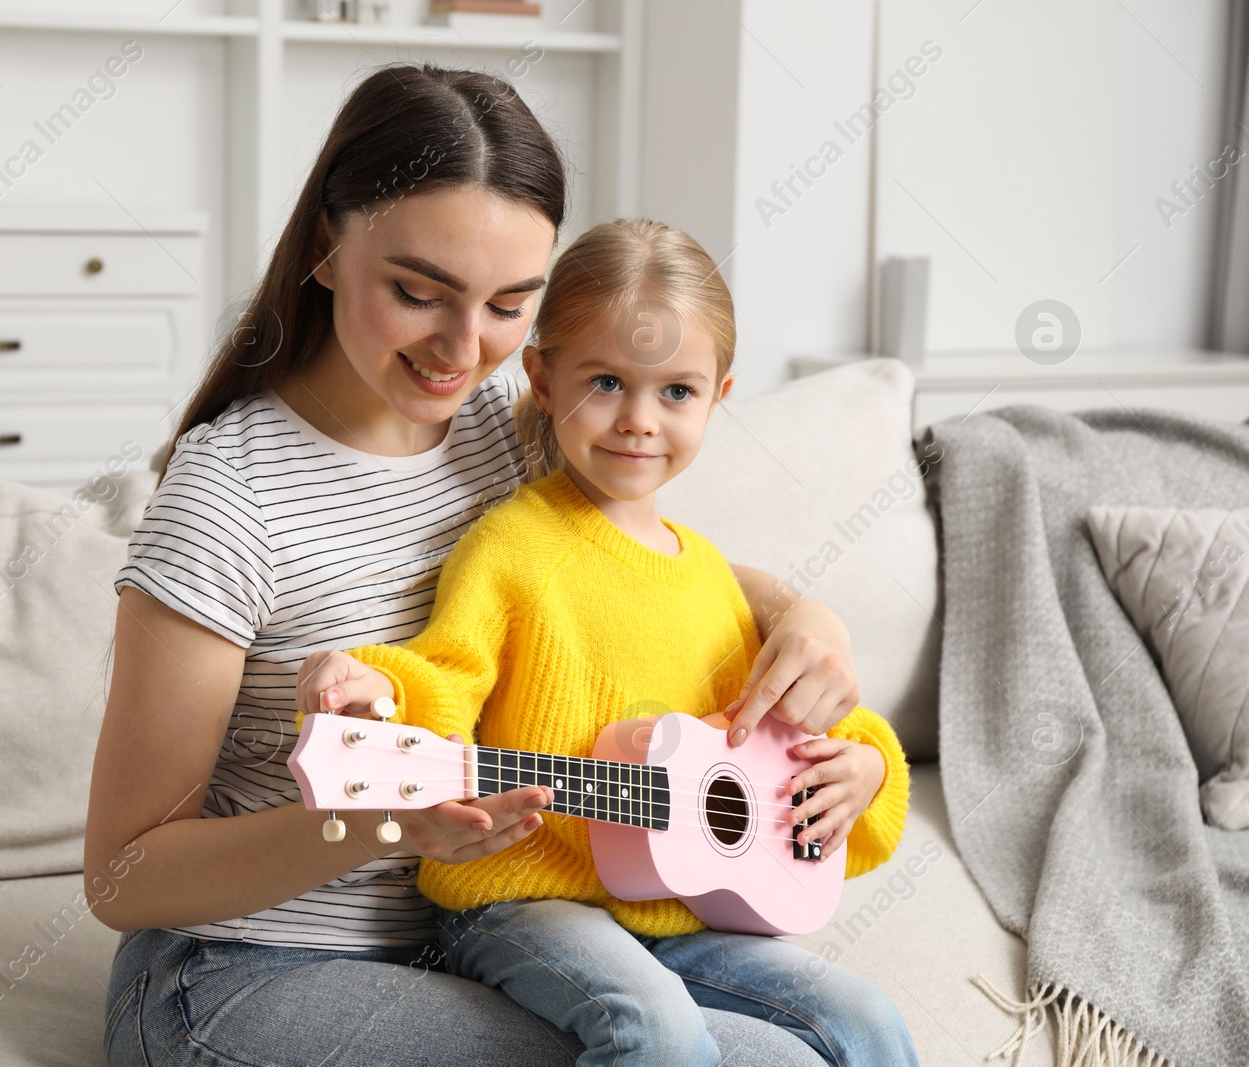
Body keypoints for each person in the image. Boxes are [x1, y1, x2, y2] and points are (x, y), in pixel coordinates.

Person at [87, 62, 877, 1067]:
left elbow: (663, 568)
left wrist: (812, 617)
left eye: (510, 305)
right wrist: (375, 827)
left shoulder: (502, 437)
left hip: (477, 935)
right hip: (241, 972)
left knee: (834, 1034)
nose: (463, 350)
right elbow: (122, 877)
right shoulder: (225, 495)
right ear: (327, 245)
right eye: (420, 293)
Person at [294, 218, 918, 1067]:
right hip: (523, 899)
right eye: (608, 382)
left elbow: (779, 741)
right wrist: (377, 694)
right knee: (654, 1032)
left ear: (719, 396)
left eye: (676, 392)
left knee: (865, 1018)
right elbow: (444, 675)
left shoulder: (708, 576)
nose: (638, 420)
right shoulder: (511, 546)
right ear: (545, 379)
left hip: (684, 910)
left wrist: (869, 767)